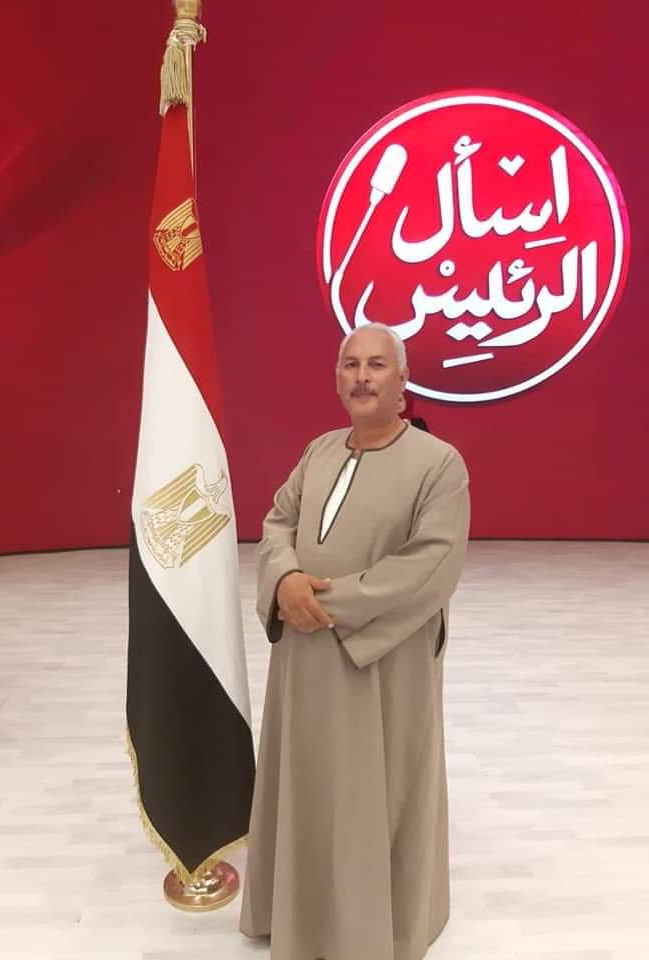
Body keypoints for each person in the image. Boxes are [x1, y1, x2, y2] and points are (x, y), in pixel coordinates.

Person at [239, 323, 470, 960]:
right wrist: (285, 579)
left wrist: (322, 604)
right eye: (350, 365)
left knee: (376, 789)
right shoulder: (318, 452)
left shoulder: (439, 465)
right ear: (337, 379)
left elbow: (431, 563)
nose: (362, 377)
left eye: (376, 365)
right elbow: (278, 521)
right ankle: (300, 915)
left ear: (403, 382)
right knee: (309, 783)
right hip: (305, 659)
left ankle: (373, 927)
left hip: (382, 663)